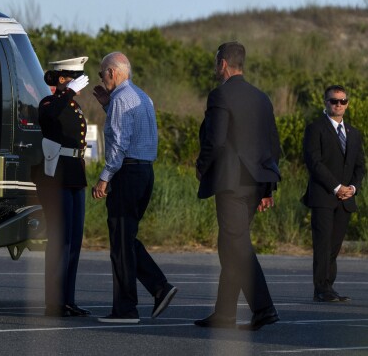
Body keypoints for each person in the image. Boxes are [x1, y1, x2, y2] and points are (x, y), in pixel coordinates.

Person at [194, 41, 281, 331]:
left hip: (231, 184)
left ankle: (264, 308)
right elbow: (272, 145)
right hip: (255, 184)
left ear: (223, 64)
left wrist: (201, 167)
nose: (214, 68)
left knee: (237, 246)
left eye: (215, 62)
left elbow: (215, 140)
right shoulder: (261, 98)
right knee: (229, 245)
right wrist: (267, 189)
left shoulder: (220, 95)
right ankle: (225, 314)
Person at [91, 52, 177, 324]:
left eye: (102, 73)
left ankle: (127, 307)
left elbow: (119, 143)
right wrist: (107, 106)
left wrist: (105, 177)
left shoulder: (120, 99)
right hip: (144, 172)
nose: (101, 79)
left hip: (127, 172)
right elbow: (140, 134)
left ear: (113, 73)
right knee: (126, 238)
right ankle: (158, 288)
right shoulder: (142, 96)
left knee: (120, 241)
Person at [36, 57, 91, 317]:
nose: (79, 83)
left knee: (74, 241)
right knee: (60, 240)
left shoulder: (73, 105)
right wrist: (67, 92)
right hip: (57, 176)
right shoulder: (50, 102)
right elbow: (49, 115)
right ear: (61, 80)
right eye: (73, 77)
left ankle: (67, 299)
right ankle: (53, 302)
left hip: (75, 175)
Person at [302, 85, 365, 302]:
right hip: (323, 196)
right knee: (323, 244)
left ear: (347, 104)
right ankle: (320, 289)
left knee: (335, 245)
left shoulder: (354, 134)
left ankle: (329, 286)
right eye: (333, 101)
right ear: (325, 102)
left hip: (346, 199)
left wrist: (352, 188)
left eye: (342, 101)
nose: (338, 104)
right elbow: (314, 162)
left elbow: (360, 166)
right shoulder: (315, 129)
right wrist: (336, 187)